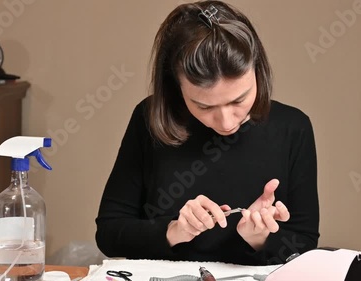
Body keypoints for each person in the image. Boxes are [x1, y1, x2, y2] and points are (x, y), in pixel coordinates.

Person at [95, 0, 319, 265]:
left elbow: (304, 246)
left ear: (258, 71)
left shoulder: (293, 127)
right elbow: (109, 234)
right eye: (203, 105)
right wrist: (174, 231)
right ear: (176, 87)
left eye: (239, 100)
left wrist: (259, 238)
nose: (225, 122)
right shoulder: (150, 119)